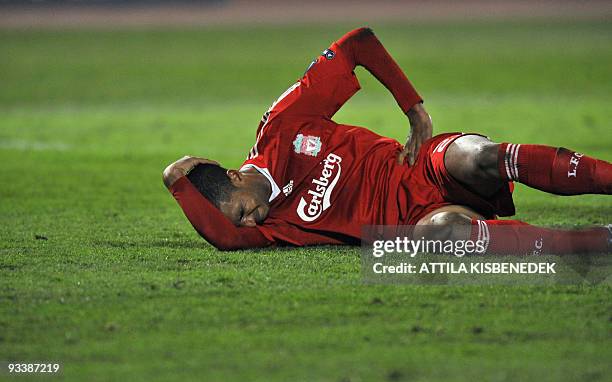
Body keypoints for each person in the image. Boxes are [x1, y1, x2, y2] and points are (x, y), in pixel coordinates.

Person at [162, 27, 611, 253]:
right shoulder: (272, 228)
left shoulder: (282, 127)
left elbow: (358, 42)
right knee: (440, 236)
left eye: (242, 211)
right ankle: (598, 241)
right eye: (241, 224)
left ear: (236, 176)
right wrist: (176, 180)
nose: (250, 222)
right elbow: (223, 236)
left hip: (419, 163)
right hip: (419, 216)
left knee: (476, 156)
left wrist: (413, 107)